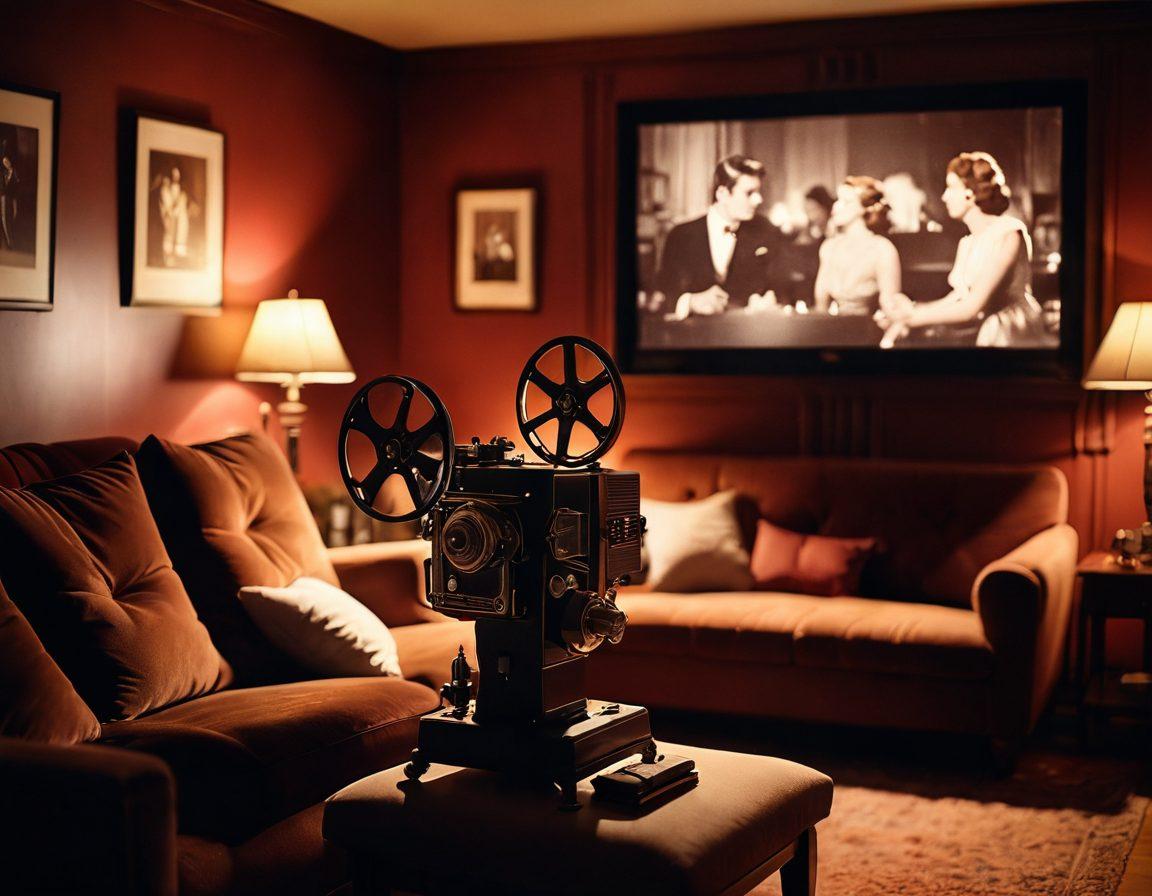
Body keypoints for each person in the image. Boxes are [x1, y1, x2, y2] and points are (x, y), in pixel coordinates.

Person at [877, 151, 1049, 348]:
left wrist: (910, 319)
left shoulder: (1009, 233)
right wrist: (912, 309)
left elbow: (972, 307)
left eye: (950, 187)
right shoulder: (967, 243)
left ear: (970, 193)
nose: (944, 196)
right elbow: (958, 297)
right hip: (981, 327)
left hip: (1010, 332)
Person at [653, 155, 782, 318]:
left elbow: (780, 285)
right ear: (722, 193)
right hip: (690, 337)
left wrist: (769, 299)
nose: (758, 199)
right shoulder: (681, 235)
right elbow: (663, 292)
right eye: (749, 193)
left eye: (758, 191)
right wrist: (690, 301)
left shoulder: (766, 231)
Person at [814, 176, 903, 319]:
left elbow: (890, 308)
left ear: (863, 208)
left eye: (846, 201)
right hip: (831, 330)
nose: (836, 206)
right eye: (838, 200)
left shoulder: (882, 249)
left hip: (868, 332)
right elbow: (821, 306)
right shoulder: (829, 248)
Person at [158, 166, 190, 267]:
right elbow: (166, 204)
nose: (175, 176)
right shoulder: (165, 189)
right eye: (173, 174)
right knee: (169, 234)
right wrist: (171, 210)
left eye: (177, 174)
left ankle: (178, 256)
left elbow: (183, 201)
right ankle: (168, 256)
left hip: (180, 217)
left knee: (180, 234)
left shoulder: (183, 190)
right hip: (170, 216)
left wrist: (180, 205)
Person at [0, 152, 18, 251]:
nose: (5, 163)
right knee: (4, 220)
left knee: (8, 221)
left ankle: (10, 243)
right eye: (4, 162)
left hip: (10, 199)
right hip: (3, 198)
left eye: (6, 161)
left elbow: (15, 189)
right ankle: (8, 243)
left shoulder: (14, 173)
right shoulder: (4, 173)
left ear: (10, 161)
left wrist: (15, 207)